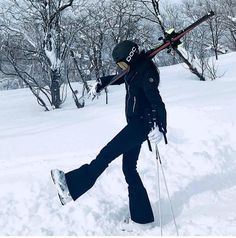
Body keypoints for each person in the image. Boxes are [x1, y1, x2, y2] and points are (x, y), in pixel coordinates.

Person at [51, 40, 167, 225]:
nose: (122, 67)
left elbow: (157, 103)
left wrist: (160, 127)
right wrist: (101, 83)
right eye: (120, 64)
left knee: (105, 155)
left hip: (141, 125)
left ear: (131, 57)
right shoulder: (134, 69)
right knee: (129, 169)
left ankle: (69, 187)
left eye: (122, 63)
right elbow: (121, 77)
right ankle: (142, 218)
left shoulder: (146, 72)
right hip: (136, 124)